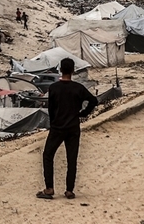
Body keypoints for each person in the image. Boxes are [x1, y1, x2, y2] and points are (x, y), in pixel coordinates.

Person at [37, 58, 98, 200]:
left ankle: (49, 188)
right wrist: (83, 114)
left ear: (60, 70)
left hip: (57, 127)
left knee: (48, 156)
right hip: (73, 127)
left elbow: (51, 109)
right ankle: (69, 190)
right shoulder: (78, 88)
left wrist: (53, 123)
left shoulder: (54, 88)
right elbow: (93, 101)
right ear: (73, 70)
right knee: (72, 159)